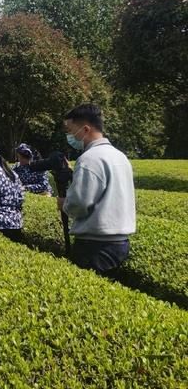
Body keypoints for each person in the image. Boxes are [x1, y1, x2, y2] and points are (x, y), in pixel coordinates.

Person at [61, 103, 135, 274]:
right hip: (120, 244)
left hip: (94, 246)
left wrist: (65, 204)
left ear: (85, 129)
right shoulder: (120, 156)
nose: (70, 135)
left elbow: (79, 204)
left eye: (71, 130)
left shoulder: (89, 159)